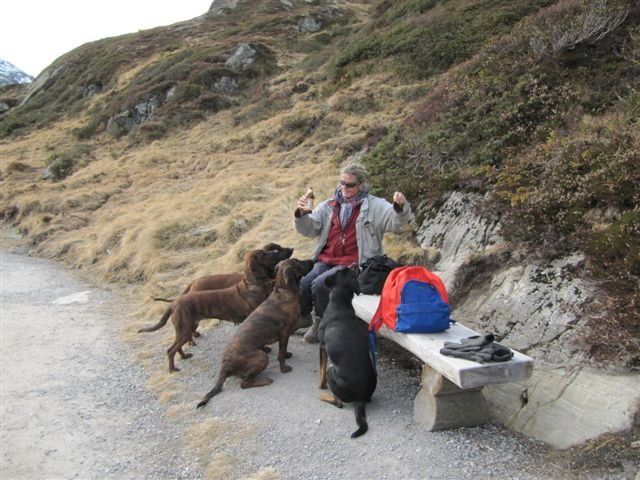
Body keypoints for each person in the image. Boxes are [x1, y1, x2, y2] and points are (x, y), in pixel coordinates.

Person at [293, 163, 413, 343]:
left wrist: (400, 206)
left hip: (354, 264)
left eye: (350, 185)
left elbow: (396, 221)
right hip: (326, 259)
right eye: (342, 183)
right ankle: (303, 316)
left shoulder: (375, 205)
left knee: (320, 284)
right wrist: (301, 214)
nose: (344, 187)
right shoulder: (328, 205)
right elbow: (309, 229)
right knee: (304, 281)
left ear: (361, 185)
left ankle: (321, 323)